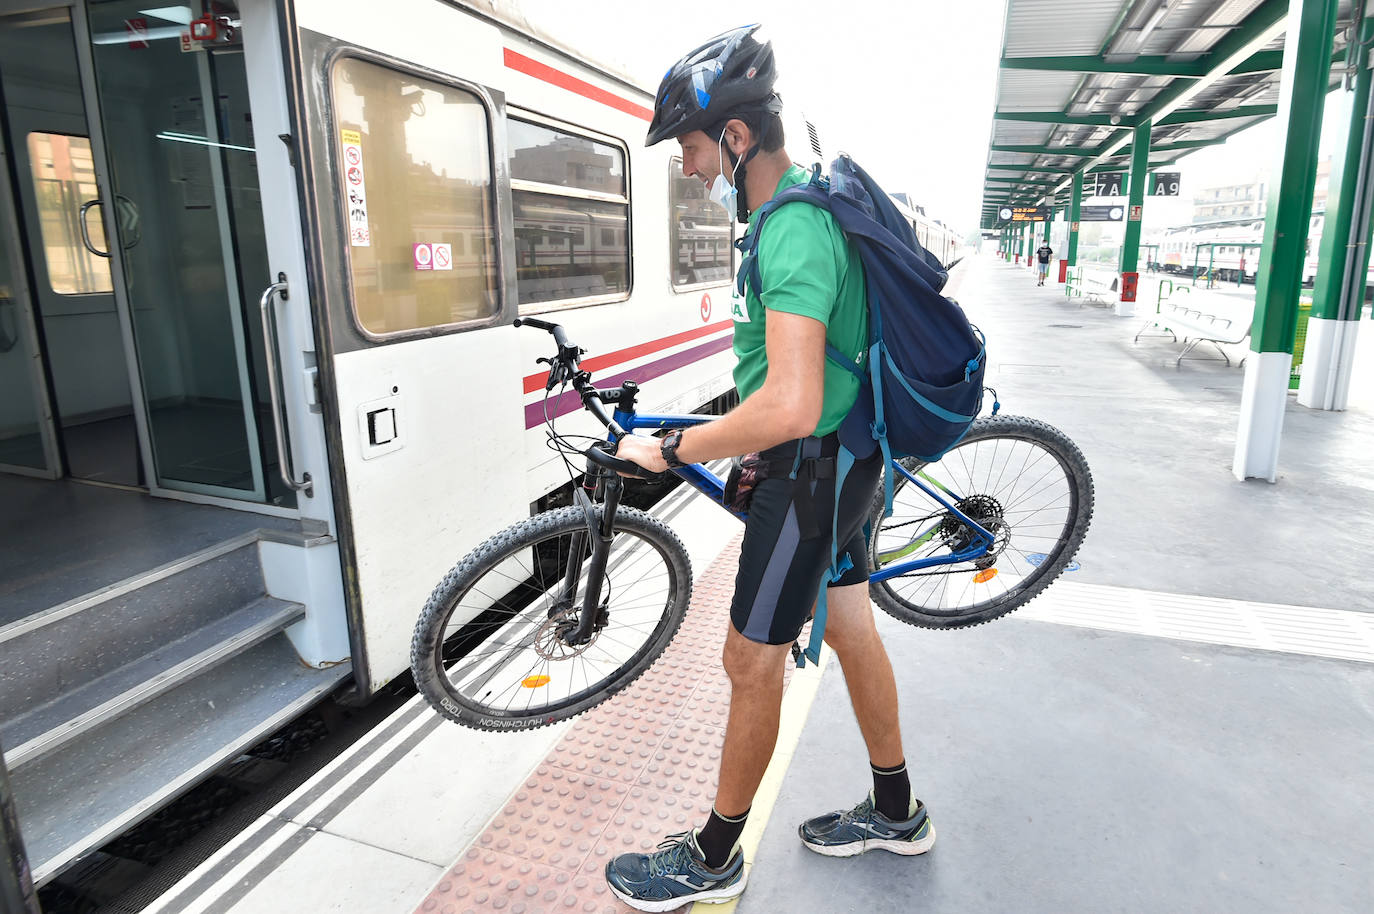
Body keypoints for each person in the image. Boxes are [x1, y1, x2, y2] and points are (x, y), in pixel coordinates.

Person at [606, 25, 933, 911]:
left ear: (738, 137)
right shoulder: (799, 210)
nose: (686, 165)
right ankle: (897, 812)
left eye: (692, 144)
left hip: (812, 473)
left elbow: (788, 404)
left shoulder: (790, 230)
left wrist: (671, 450)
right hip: (848, 461)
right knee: (853, 629)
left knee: (750, 664)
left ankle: (712, 858)